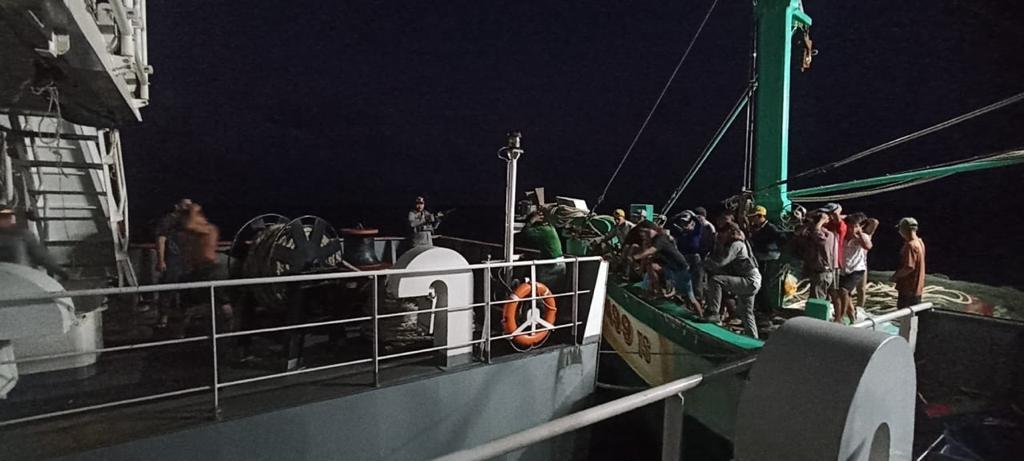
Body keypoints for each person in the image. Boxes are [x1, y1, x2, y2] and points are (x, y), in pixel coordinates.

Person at [630, 222, 702, 316]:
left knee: (691, 298)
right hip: (670, 269)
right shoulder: (652, 241)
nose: (644, 235)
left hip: (681, 271)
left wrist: (636, 257)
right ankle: (658, 291)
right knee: (651, 265)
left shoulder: (660, 239)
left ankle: (701, 315)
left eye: (646, 232)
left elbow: (651, 251)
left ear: (654, 230)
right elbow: (649, 258)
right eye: (642, 233)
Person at [704, 222, 761, 338]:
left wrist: (706, 261)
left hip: (749, 279)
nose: (720, 236)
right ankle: (753, 338)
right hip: (753, 280)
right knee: (746, 313)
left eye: (723, 233)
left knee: (716, 280)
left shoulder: (737, 244)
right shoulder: (739, 243)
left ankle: (713, 312)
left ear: (730, 232)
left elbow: (721, 262)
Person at [0, 203, 67, 278]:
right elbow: (41, 256)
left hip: (22, 277)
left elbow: (41, 256)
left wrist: (60, 271)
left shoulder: (23, 235)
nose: (7, 219)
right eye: (3, 217)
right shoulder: (23, 236)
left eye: (8, 216)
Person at [155, 198, 191, 327]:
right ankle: (163, 316)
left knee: (186, 290)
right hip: (172, 260)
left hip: (185, 260)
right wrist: (161, 261)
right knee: (167, 288)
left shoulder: (186, 222)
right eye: (185, 205)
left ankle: (184, 316)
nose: (188, 207)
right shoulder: (167, 220)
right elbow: (161, 240)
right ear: (177, 206)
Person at [836, 213, 876, 324]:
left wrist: (859, 234)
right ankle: (852, 316)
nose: (852, 229)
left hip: (857, 269)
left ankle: (840, 317)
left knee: (843, 290)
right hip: (844, 269)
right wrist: (846, 217)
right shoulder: (842, 235)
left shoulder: (862, 237)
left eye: (855, 226)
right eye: (850, 226)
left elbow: (868, 246)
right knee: (846, 295)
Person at [747, 205, 786, 314]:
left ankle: (768, 310)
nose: (752, 219)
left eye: (754, 217)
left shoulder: (771, 228)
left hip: (769, 259)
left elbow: (782, 239)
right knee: (760, 283)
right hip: (760, 258)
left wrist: (769, 247)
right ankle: (760, 307)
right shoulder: (756, 228)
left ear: (760, 216)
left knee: (765, 284)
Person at [518, 211, 566, 290]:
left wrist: (531, 221)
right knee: (555, 290)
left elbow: (525, 233)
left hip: (551, 265)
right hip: (560, 263)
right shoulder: (550, 227)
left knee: (543, 288)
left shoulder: (541, 230)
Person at [797, 211, 838, 301]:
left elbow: (819, 238)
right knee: (817, 299)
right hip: (817, 273)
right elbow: (798, 234)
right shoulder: (813, 235)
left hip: (823, 273)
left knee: (817, 301)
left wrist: (820, 222)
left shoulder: (828, 235)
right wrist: (807, 224)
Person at [892, 217, 926, 309]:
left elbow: (909, 267)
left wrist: (895, 276)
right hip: (917, 289)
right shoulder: (920, 243)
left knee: (904, 314)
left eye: (900, 229)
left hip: (908, 289)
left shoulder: (911, 245)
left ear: (904, 229)